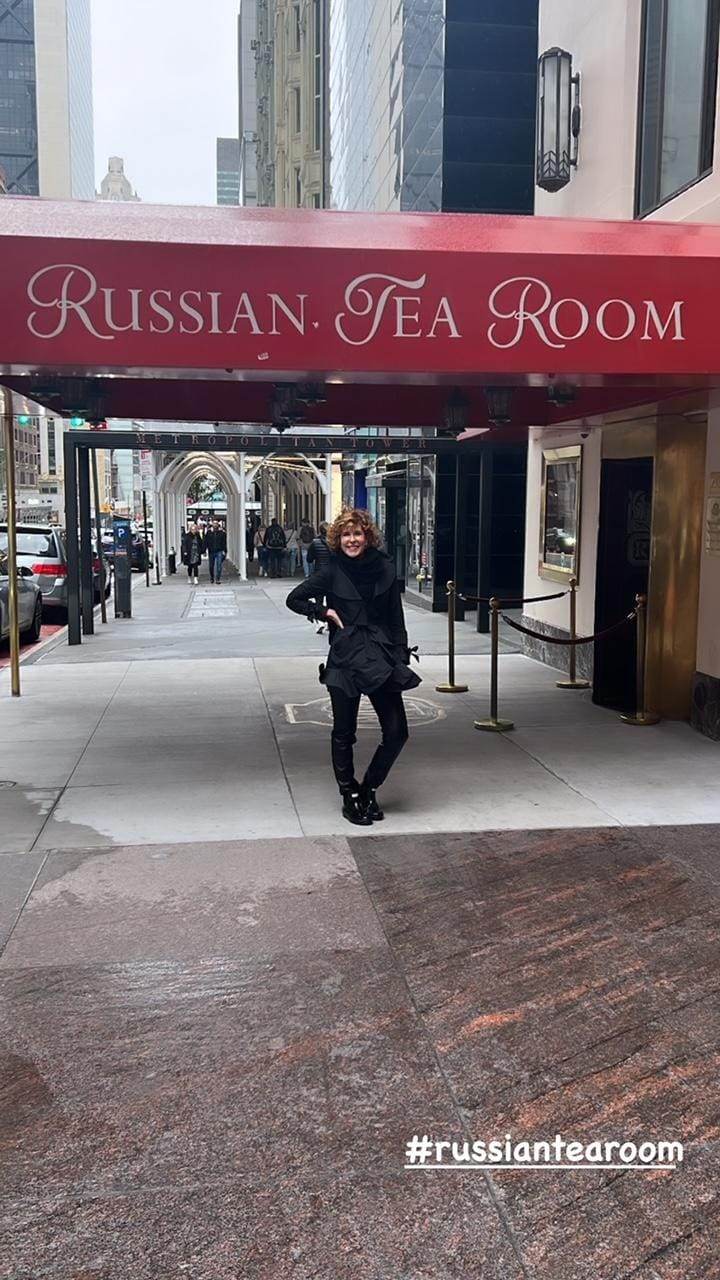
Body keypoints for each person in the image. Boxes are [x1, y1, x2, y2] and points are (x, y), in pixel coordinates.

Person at [286, 508, 420, 826]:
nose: (352, 540)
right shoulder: (330, 570)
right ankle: (349, 794)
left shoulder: (384, 568)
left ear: (367, 536)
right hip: (345, 658)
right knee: (344, 732)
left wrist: (400, 656)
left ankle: (369, 787)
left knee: (397, 731)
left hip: (379, 657)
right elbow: (295, 598)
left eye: (357, 534)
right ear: (338, 539)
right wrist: (326, 613)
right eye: (346, 535)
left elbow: (395, 618)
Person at [204, 519, 227, 584]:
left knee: (219, 566)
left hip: (219, 551)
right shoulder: (208, 533)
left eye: (216, 523)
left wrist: (225, 551)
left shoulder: (222, 533)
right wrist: (204, 550)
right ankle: (212, 577)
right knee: (211, 566)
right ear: (212, 524)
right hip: (211, 551)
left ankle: (217, 579)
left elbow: (224, 542)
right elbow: (206, 542)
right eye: (214, 523)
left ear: (218, 525)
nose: (215, 525)